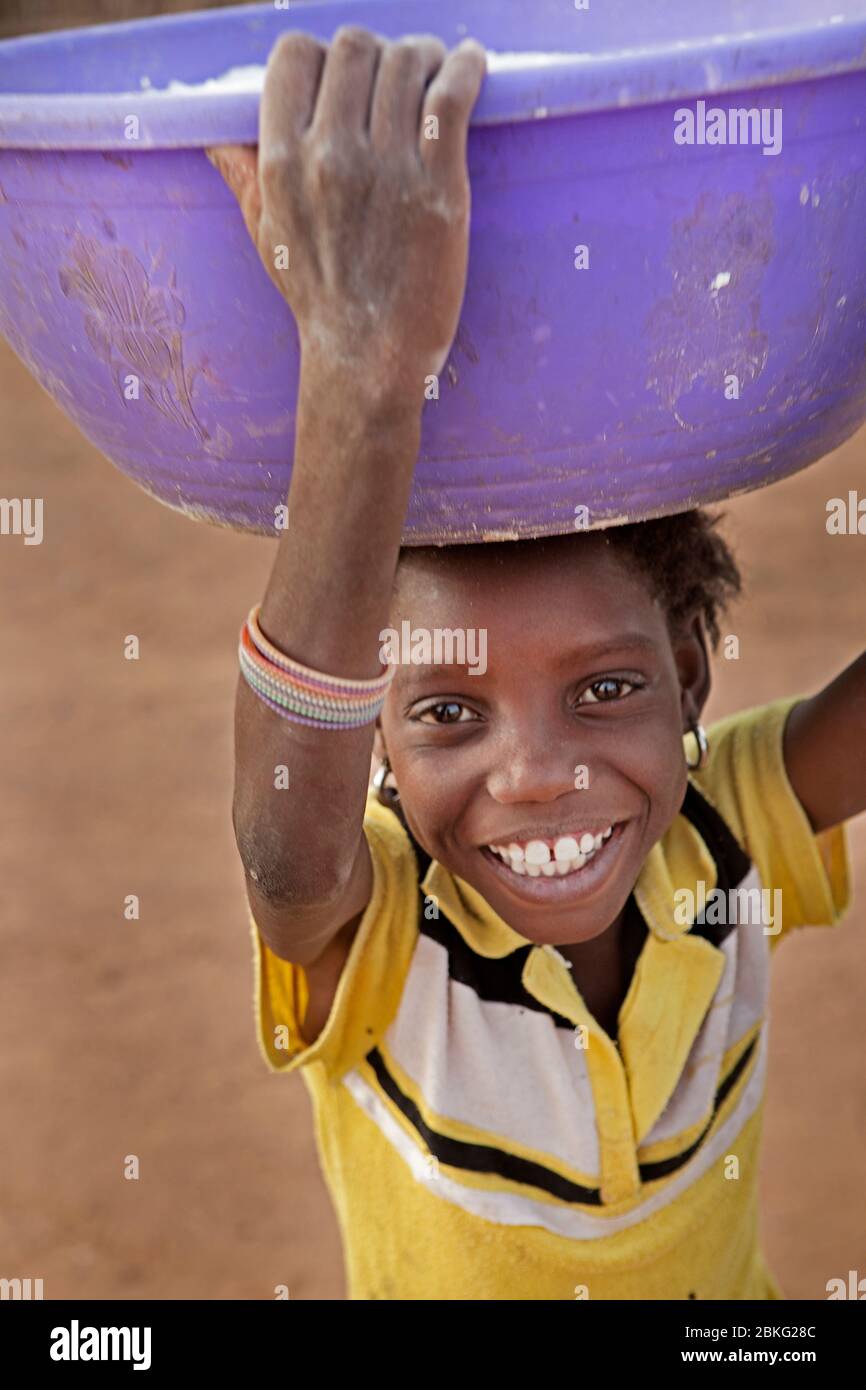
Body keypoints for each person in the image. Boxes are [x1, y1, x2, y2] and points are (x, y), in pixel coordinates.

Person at [210, 26, 863, 1299]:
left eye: (606, 689)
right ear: (376, 747)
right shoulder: (384, 941)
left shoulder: (724, 830)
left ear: (688, 670)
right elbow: (284, 853)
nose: (539, 774)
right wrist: (360, 376)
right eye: (449, 711)